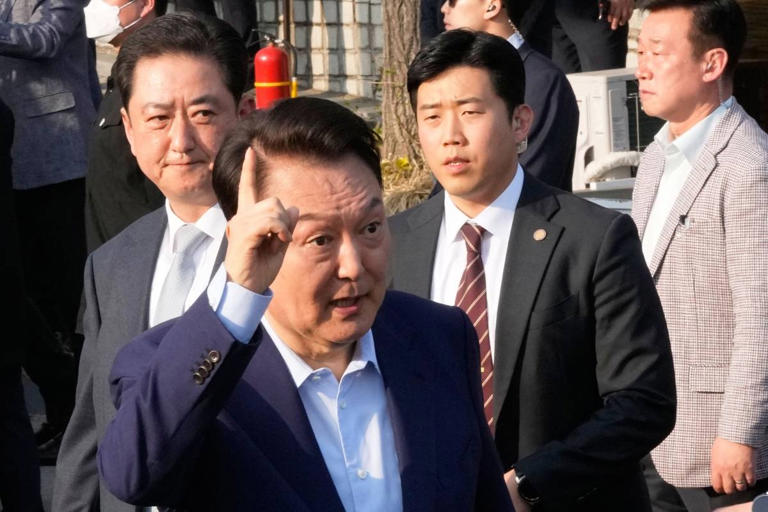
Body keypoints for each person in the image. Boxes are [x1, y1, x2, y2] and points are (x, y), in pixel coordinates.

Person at [95, 96, 513, 510]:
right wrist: (237, 292)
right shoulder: (179, 368)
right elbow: (133, 475)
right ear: (253, 241)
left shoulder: (438, 337)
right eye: (320, 240)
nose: (353, 266)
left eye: (370, 228)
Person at [389, 29, 677, 511]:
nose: (450, 135)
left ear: (520, 121)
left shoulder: (594, 238)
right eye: (431, 116)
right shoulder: (394, 241)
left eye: (470, 112)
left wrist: (527, 485)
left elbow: (643, 401)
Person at [52, 13, 250, 511]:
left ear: (245, 114)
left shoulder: (289, 251)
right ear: (129, 128)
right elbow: (90, 434)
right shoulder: (112, 264)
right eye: (158, 118)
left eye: (203, 114)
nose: (180, 141)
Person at [632, 1, 768, 510]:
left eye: (658, 53)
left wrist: (739, 430)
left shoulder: (749, 165)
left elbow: (761, 312)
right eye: (640, 52)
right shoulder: (655, 156)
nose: (642, 68)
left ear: (712, 63)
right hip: (650, 425)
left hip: (717, 444)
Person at [0, 0, 97, 459]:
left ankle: (81, 420)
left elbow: (47, 38)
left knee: (68, 297)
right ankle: (61, 409)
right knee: (27, 299)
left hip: (59, 162)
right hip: (12, 164)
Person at [440, 0, 579, 191]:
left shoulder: (541, 80)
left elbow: (535, 178)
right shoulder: (456, 76)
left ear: (492, 6)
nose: (444, 8)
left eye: (453, 1)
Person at [83, 0, 168, 252]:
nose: (96, 4)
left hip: (141, 252)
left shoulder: (159, 79)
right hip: (110, 254)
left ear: (146, 4)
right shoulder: (122, 73)